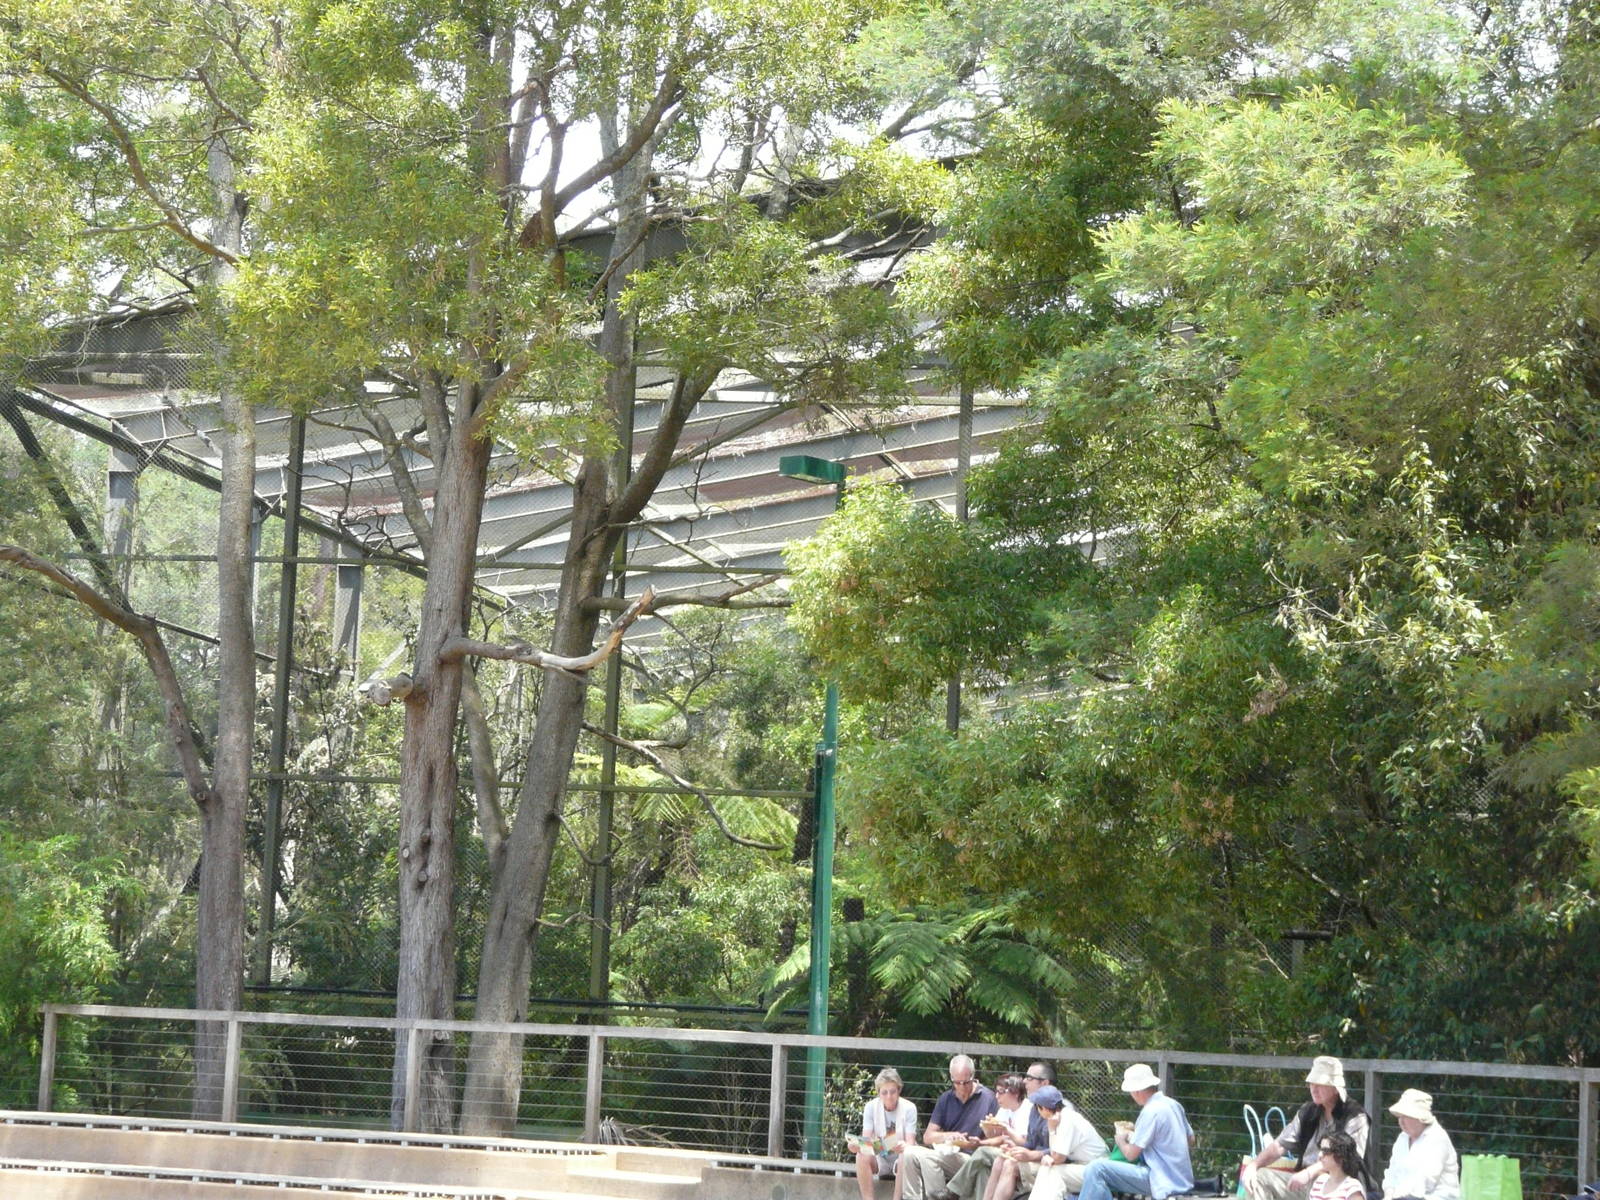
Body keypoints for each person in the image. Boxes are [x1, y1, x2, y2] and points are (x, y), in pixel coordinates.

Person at [1243, 1057, 1373, 1200]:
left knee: (1322, 1180)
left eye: (1320, 1084)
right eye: (1312, 1083)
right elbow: (1279, 1145)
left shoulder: (1356, 1116)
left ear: (1336, 1088)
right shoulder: (1308, 1111)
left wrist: (1309, 1173)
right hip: (1303, 1183)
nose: (1314, 1089)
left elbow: (1348, 1157)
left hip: (1338, 1186)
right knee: (1260, 1178)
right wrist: (1253, 1165)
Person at [1077, 1063, 1194, 1200]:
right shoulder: (1173, 1104)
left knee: (1096, 1169)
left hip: (1160, 1180)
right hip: (1182, 1179)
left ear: (1136, 1091)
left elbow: (1131, 1155)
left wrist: (1120, 1140)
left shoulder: (1150, 1111)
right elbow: (1191, 1140)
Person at [899, 1055, 999, 1200]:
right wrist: (949, 1136)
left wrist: (977, 1142)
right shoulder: (946, 1098)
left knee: (929, 1158)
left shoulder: (989, 1098)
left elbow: (996, 1139)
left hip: (973, 1160)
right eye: (957, 1082)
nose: (962, 1087)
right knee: (909, 1152)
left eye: (966, 1082)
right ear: (951, 1078)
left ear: (973, 1076)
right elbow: (928, 1137)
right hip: (948, 1154)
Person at [936, 1074, 1040, 1200]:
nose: (997, 1096)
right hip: (1006, 1153)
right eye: (996, 1092)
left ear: (1015, 1092)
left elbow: (1025, 1143)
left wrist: (1005, 1130)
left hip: (1023, 1156)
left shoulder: (1027, 1109)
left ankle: (953, 1191)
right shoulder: (1004, 1110)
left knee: (983, 1153)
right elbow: (999, 1138)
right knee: (982, 1168)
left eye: (1001, 1092)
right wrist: (982, 1138)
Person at [999, 1084, 1109, 1200]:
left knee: (1051, 1171)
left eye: (1037, 1107)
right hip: (1083, 1166)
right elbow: (1055, 1154)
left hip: (1097, 1170)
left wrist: (1051, 1131)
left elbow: (1058, 1158)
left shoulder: (1067, 1120)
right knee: (1047, 1170)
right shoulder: (1062, 1117)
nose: (1036, 1110)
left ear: (1045, 1109)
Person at [852, 1068, 920, 1200]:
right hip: (880, 1157)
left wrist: (901, 1146)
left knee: (905, 1155)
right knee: (861, 1156)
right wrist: (856, 1146)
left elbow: (910, 1143)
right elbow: (866, 1140)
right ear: (878, 1093)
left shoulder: (910, 1108)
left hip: (901, 1157)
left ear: (899, 1090)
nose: (889, 1096)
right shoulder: (870, 1107)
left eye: (893, 1092)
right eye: (884, 1092)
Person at [1381, 1090, 1459, 1200]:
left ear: (1420, 1118)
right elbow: (1392, 1172)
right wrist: (1388, 1194)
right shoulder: (1402, 1138)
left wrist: (1396, 1195)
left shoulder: (1438, 1138)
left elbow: (1426, 1180)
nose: (1401, 1121)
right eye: (1399, 1116)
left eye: (1406, 1116)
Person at [1309, 1132, 1366, 1200]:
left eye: (1326, 1151)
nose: (1320, 1155)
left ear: (1340, 1155)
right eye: (1320, 1150)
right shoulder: (1319, 1182)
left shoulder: (1352, 1188)